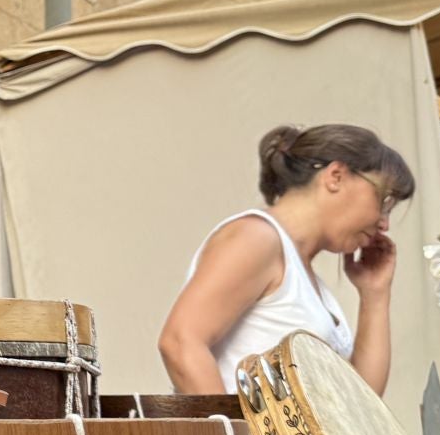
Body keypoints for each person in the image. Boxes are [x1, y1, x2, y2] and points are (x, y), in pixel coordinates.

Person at [159, 124, 414, 397]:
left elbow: (363, 403)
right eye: (384, 200)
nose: (385, 223)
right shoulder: (257, 238)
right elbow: (180, 342)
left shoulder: (303, 274)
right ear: (336, 176)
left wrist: (375, 294)